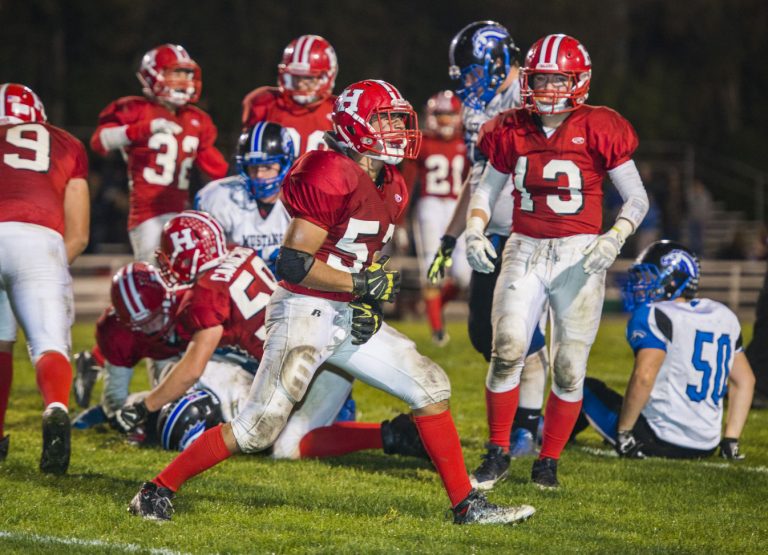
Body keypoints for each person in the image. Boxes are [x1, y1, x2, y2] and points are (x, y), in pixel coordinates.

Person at [125, 80, 535, 525]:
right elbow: (294, 263)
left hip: (343, 309)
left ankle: (466, 506)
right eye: (386, 120)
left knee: (430, 385)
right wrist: (361, 287)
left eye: (399, 120)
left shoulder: (392, 181)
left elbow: (370, 253)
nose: (397, 129)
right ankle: (156, 490)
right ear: (356, 123)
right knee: (256, 429)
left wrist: (364, 303)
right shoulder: (326, 170)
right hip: (302, 311)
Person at [466, 34, 649, 489]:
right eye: (540, 78)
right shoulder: (510, 127)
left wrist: (616, 236)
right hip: (524, 246)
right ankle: (498, 450)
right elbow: (486, 189)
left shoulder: (601, 126)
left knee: (569, 366)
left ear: (578, 81)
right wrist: (473, 227)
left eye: (556, 79)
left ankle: (548, 459)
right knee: (506, 348)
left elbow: (636, 199)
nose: (547, 88)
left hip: (579, 254)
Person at [97, 259, 426, 461]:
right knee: (281, 437)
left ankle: (396, 433)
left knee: (272, 437)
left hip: (312, 348)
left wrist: (143, 407)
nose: (153, 326)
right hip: (301, 345)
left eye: (156, 316)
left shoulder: (200, 300)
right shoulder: (204, 287)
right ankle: (396, 434)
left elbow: (192, 369)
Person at [78, 44, 229, 411]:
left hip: (181, 219)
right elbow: (99, 141)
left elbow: (217, 168)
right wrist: (142, 129)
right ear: (153, 76)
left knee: (181, 296)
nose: (183, 80)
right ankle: (156, 386)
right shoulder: (134, 108)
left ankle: (97, 360)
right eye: (176, 72)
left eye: (187, 73)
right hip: (146, 216)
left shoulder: (197, 119)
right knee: (155, 300)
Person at [429, 21, 548, 462]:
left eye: (475, 71)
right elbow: (479, 178)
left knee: (519, 334)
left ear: (497, 60)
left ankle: (527, 427)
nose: (469, 82)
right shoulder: (478, 109)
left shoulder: (534, 97)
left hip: (532, 232)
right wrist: (450, 236)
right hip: (489, 233)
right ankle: (527, 415)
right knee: (483, 332)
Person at [576, 241, 755, 459]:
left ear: (675, 280)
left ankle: (545, 432)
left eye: (650, 278)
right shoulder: (722, 315)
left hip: (657, 438)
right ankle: (730, 447)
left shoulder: (654, 314)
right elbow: (745, 381)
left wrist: (625, 432)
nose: (642, 285)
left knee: (582, 386)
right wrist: (730, 439)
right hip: (706, 444)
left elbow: (644, 376)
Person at [0, 83, 90, 473]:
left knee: (1, 344)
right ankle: (55, 406)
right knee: (49, 345)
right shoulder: (66, 143)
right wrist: (47, 268)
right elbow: (80, 233)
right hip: (40, 240)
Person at [400, 90, 469, 346]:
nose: (445, 121)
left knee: (464, 275)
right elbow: (407, 183)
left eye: (449, 115)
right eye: (440, 115)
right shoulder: (424, 142)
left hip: (456, 206)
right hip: (430, 207)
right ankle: (437, 330)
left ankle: (434, 306)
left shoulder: (466, 141)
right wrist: (400, 223)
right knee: (434, 270)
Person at [195, 122, 295, 275]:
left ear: (284, 165)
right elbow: (202, 260)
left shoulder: (300, 198)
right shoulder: (218, 196)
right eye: (253, 168)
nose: (259, 175)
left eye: (267, 167)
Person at [241, 35, 337, 156]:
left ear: (326, 76)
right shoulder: (267, 104)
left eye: (309, 78)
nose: (301, 84)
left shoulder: (337, 111)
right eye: (296, 77)